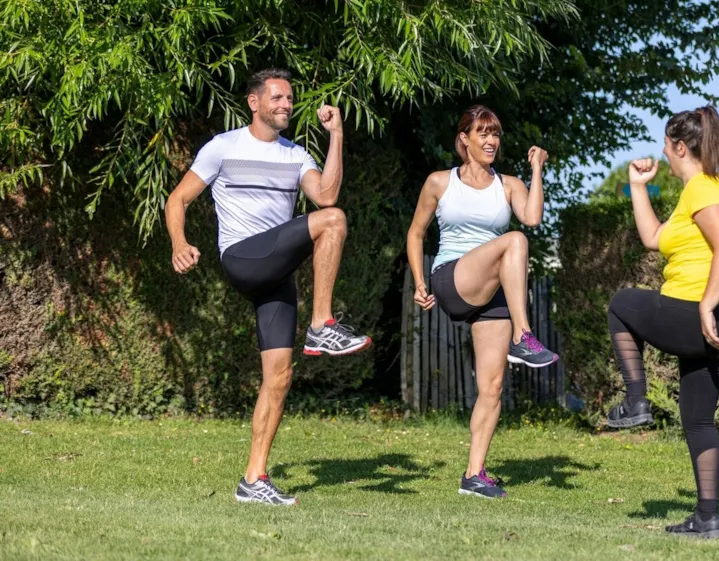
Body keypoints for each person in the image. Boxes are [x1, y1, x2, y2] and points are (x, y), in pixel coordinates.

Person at [164, 68, 371, 506]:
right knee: (333, 223)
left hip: (275, 273)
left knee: (279, 377)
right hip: (243, 257)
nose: (286, 105)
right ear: (254, 102)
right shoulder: (224, 147)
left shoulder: (297, 155)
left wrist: (335, 136)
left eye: (290, 99)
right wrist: (180, 242)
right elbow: (177, 199)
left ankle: (253, 479)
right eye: (277, 98)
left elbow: (326, 195)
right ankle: (321, 323)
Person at [606, 106, 719, 538]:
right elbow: (653, 239)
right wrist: (636, 186)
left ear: (682, 146)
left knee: (621, 304)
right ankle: (708, 519)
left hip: (702, 311)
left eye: (668, 146)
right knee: (698, 418)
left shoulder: (703, 189)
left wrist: (705, 306)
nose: (664, 155)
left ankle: (636, 401)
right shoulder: (703, 190)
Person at [406, 105, 559, 499]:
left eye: (495, 134)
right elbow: (416, 233)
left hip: (493, 290)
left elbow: (532, 216)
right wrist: (421, 282)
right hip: (453, 277)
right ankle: (524, 336)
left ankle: (474, 474)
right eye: (483, 133)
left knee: (491, 386)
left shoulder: (507, 184)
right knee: (515, 241)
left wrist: (537, 169)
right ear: (465, 140)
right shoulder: (440, 182)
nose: (491, 141)